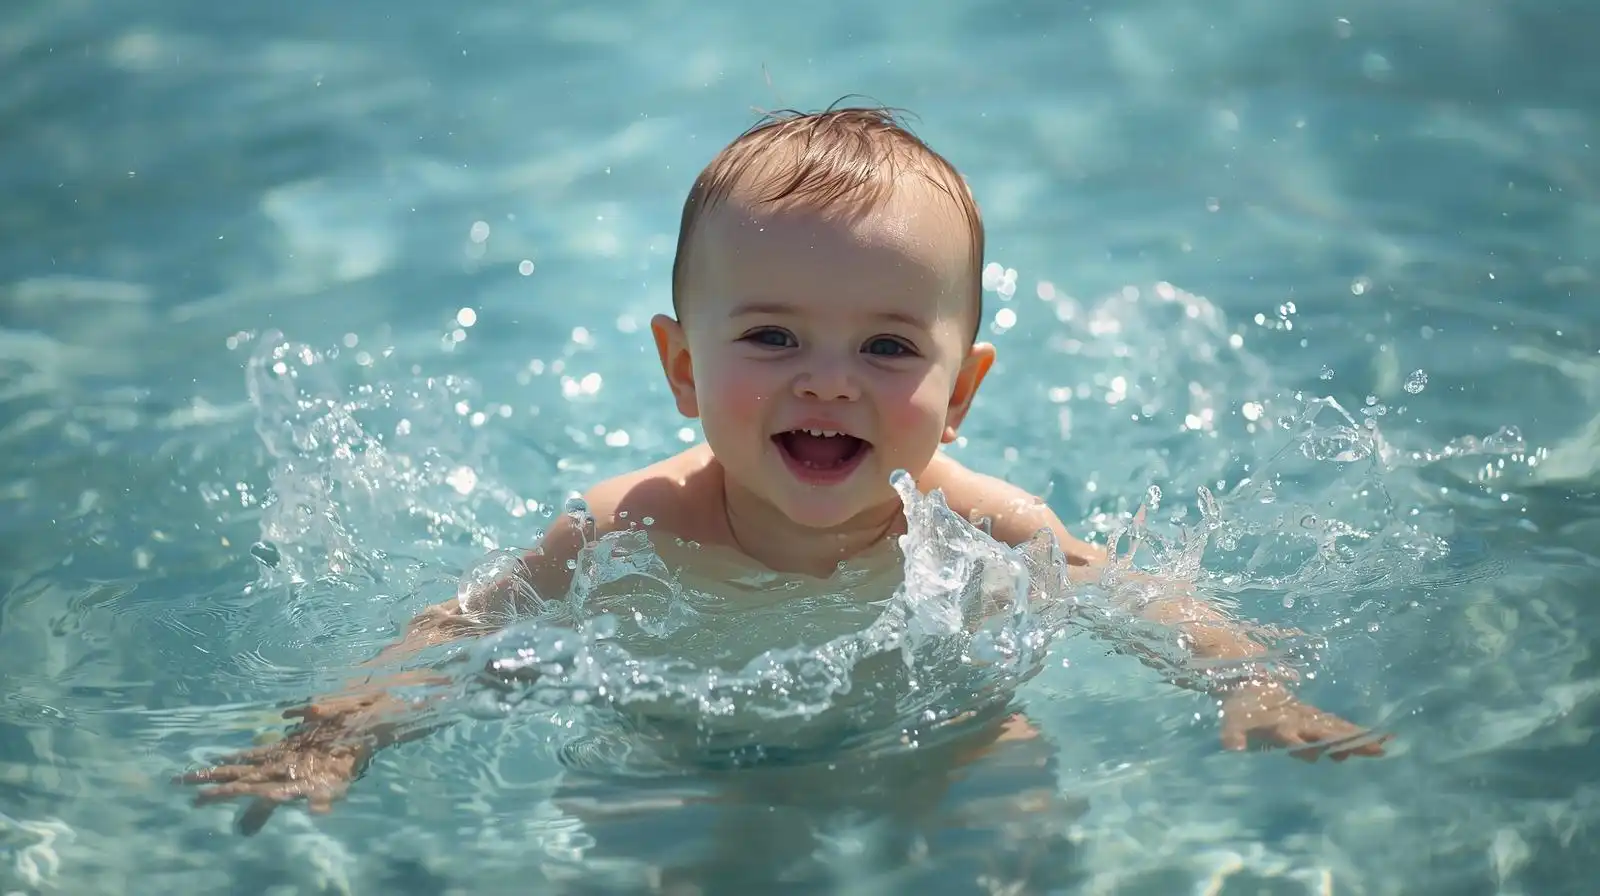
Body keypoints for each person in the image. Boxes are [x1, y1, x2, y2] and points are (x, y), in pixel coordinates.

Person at [177, 103, 1388, 838]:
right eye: (770, 335)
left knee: (1016, 811)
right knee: (645, 829)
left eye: (887, 348)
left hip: (941, 736)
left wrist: (1250, 683)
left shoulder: (982, 525)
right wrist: (331, 738)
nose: (827, 383)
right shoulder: (625, 526)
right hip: (686, 751)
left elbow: (1140, 597)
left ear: (961, 394)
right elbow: (455, 628)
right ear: (682, 368)